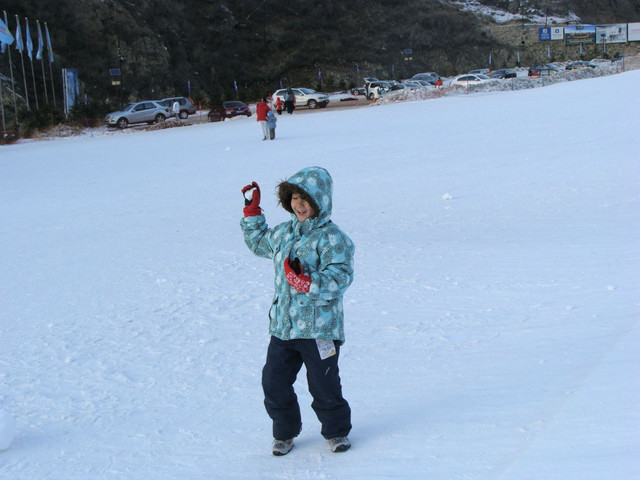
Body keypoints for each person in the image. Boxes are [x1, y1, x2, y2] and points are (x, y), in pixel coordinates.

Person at [240, 166, 355, 456]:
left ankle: (336, 431)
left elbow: (340, 277)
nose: (299, 205)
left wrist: (307, 282)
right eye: (294, 198)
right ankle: (285, 432)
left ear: (321, 201)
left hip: (319, 329)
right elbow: (258, 243)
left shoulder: (333, 238)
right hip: (284, 327)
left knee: (323, 384)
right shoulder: (283, 233)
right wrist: (253, 215)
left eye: (306, 200)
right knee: (274, 382)